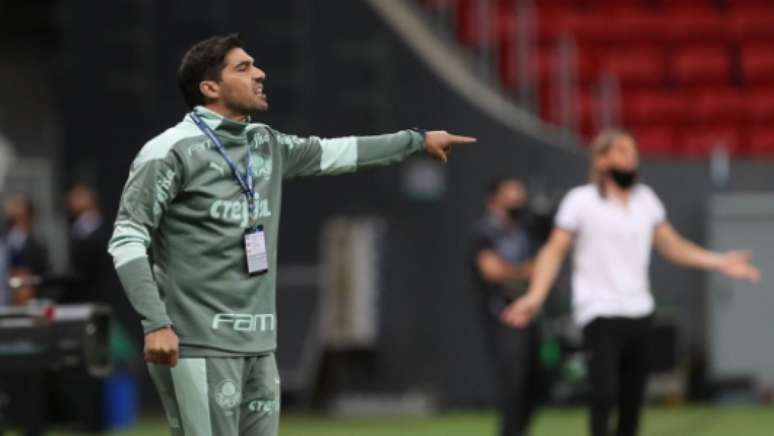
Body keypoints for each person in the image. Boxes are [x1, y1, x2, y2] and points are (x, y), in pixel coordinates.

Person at [107, 33, 475, 436]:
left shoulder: (265, 143)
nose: (260, 74)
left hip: (260, 344)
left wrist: (417, 140)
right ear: (210, 87)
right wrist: (155, 323)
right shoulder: (168, 152)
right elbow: (128, 238)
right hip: (199, 342)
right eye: (243, 68)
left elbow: (340, 152)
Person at [501, 129, 760, 436]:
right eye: (622, 151)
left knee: (632, 405)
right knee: (603, 396)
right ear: (601, 159)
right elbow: (554, 251)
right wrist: (535, 295)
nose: (631, 158)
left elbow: (672, 245)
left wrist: (719, 261)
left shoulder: (645, 200)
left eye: (633, 151)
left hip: (639, 312)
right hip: (599, 313)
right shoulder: (580, 201)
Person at [471, 177, 540, 436]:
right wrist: (527, 271)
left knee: (536, 380)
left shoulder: (525, 231)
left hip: (530, 313)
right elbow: (492, 270)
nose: (518, 201)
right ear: (494, 199)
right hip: (502, 315)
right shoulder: (484, 232)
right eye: (511, 195)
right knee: (513, 380)